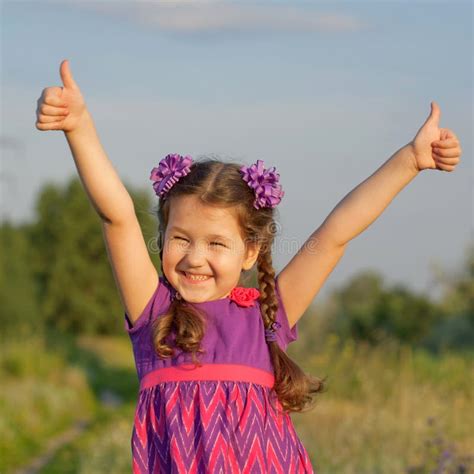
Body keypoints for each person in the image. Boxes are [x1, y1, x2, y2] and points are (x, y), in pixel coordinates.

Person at [35, 59, 462, 473]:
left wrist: (410, 161)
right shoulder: (154, 314)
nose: (194, 257)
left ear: (250, 252)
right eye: (180, 238)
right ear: (162, 237)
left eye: (217, 243)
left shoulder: (265, 316)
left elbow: (334, 235)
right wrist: (79, 127)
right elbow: (118, 217)